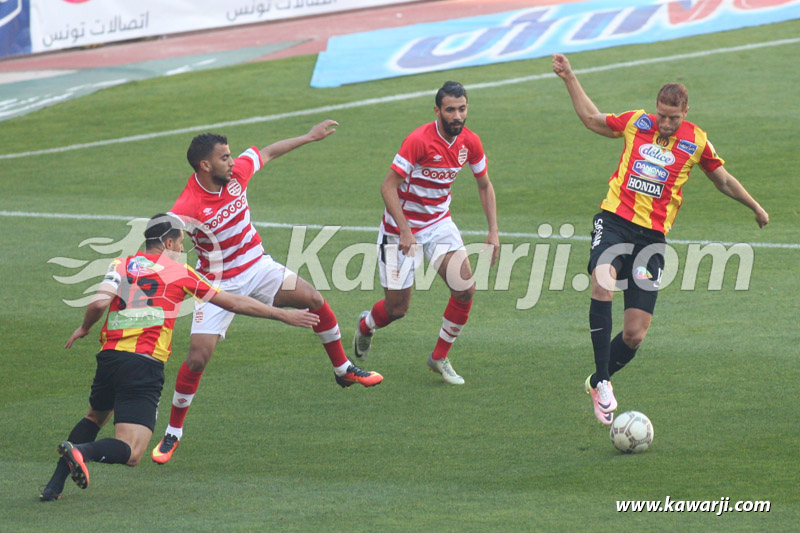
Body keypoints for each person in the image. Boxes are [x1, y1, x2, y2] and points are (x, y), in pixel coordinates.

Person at [552, 53, 770, 425]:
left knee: (634, 335)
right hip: (614, 220)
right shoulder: (637, 122)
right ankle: (602, 381)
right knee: (602, 280)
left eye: (673, 117)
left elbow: (722, 180)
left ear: (686, 112)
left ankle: (597, 379)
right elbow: (592, 119)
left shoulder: (697, 141)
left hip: (651, 239)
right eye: (662, 115)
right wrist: (569, 76)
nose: (666, 123)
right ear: (655, 108)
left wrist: (755, 206)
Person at [40, 214, 320, 501]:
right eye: (181, 243)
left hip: (109, 358)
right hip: (143, 364)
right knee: (133, 451)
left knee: (95, 416)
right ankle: (81, 452)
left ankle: (53, 487)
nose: (183, 249)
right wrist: (283, 315)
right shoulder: (181, 272)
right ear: (168, 243)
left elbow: (99, 302)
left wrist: (85, 327)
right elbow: (234, 302)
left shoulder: (121, 264)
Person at [152, 121, 382, 465]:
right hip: (218, 284)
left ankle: (343, 368)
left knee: (314, 300)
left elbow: (269, 152)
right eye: (224, 157)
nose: (232, 161)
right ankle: (173, 432)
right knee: (198, 358)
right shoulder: (190, 204)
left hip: (258, 266)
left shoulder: (236, 175)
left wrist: (309, 137)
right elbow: (165, 230)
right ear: (205, 165)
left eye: (231, 155)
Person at [352, 81, 499, 385]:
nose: (457, 116)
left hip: (438, 223)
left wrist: (493, 232)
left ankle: (439, 357)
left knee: (465, 289)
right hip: (400, 230)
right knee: (397, 308)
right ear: (437, 111)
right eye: (450, 110)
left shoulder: (470, 142)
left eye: (462, 109)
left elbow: (484, 185)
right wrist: (405, 231)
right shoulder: (418, 141)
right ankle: (366, 325)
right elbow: (388, 186)